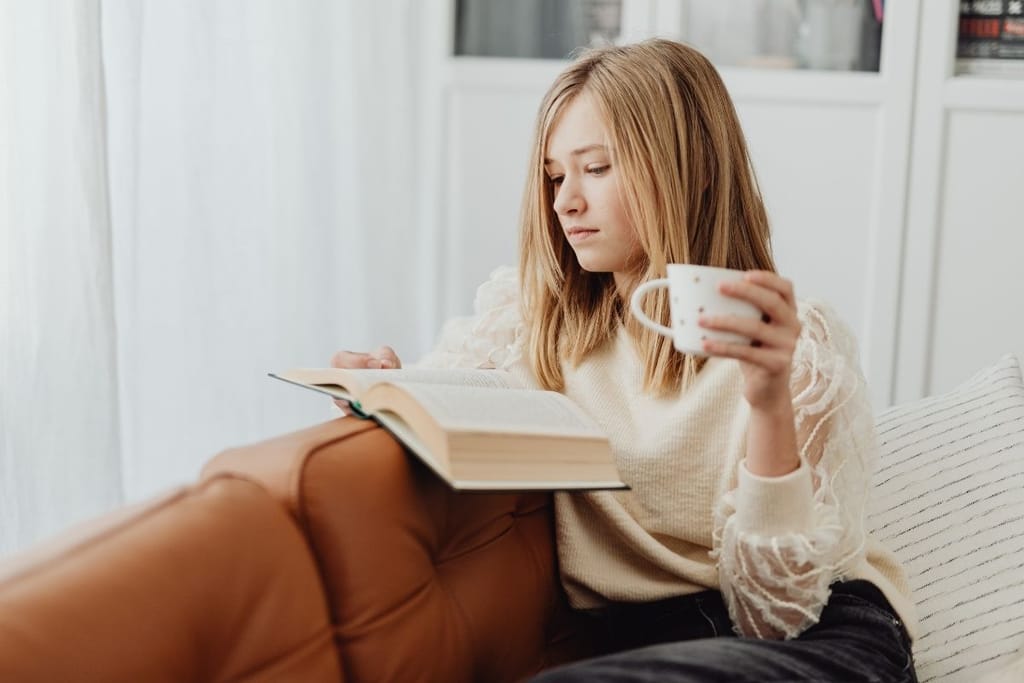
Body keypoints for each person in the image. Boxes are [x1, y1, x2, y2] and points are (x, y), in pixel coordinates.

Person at [330, 39, 918, 682]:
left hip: (820, 640)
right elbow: (446, 395)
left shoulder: (793, 345)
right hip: (639, 645)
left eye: (597, 168)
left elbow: (774, 617)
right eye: (556, 175)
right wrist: (385, 386)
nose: (565, 202)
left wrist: (768, 401)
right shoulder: (529, 322)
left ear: (682, 167)